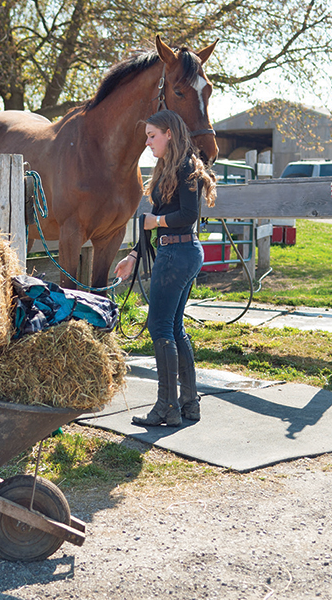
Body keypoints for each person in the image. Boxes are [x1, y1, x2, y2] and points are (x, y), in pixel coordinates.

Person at [114, 110, 216, 427]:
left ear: (168, 133)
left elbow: (188, 214)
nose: (147, 142)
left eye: (152, 135)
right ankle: (189, 404)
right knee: (174, 328)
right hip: (178, 251)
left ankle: (166, 407)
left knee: (159, 327)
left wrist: (156, 222)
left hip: (177, 253)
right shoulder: (169, 168)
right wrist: (133, 255)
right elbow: (155, 218)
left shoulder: (186, 167)